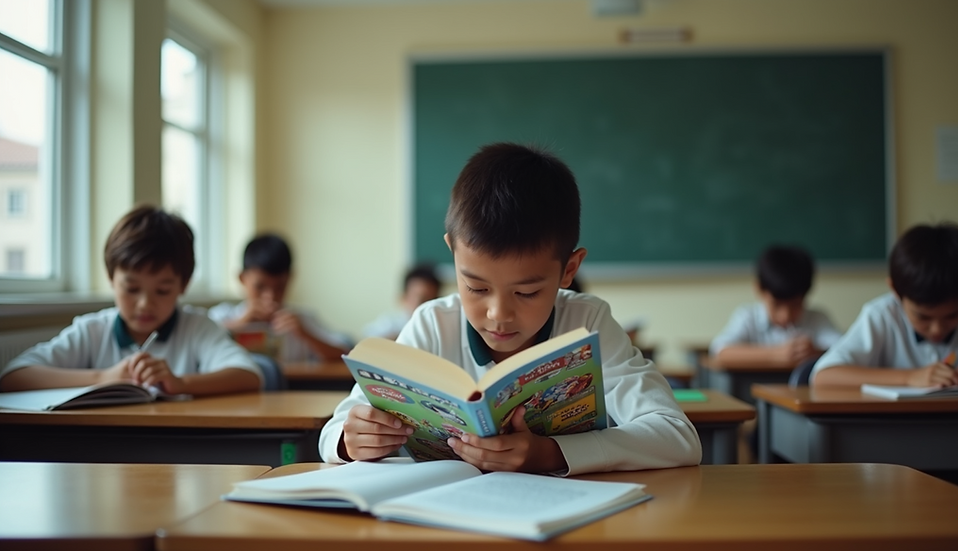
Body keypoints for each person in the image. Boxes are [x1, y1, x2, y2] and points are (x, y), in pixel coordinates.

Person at [320, 142, 701, 475]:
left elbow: (677, 436)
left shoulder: (588, 323)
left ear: (569, 269)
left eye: (527, 292)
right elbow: (333, 432)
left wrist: (551, 454)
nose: (498, 314)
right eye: (476, 287)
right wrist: (349, 440)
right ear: (453, 252)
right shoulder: (432, 325)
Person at [0, 205, 263, 395]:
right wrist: (103, 377)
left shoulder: (196, 328)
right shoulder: (92, 331)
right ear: (111, 279)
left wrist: (181, 383)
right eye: (131, 289)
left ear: (183, 285)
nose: (144, 304)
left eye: (162, 291)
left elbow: (249, 375)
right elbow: (12, 377)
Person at [811, 222, 958, 387]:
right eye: (923, 317)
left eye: (953, 315)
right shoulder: (882, 315)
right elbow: (823, 375)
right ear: (896, 291)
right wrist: (910, 377)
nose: (937, 329)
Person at [209, 233, 352, 362]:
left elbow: (345, 355)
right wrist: (238, 324)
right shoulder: (222, 316)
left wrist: (305, 334)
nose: (270, 297)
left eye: (280, 287)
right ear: (241, 279)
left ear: (290, 279)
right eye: (260, 287)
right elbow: (200, 345)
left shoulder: (302, 320)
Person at [710, 245, 841, 368]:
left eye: (795, 305)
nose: (785, 316)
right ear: (759, 289)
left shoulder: (817, 319)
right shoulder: (748, 317)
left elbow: (844, 350)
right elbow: (721, 351)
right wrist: (776, 354)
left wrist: (815, 353)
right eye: (777, 305)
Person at [362, 263, 442, 340]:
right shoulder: (390, 323)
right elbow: (366, 340)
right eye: (421, 300)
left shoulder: (439, 326)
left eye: (432, 300)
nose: (426, 306)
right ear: (403, 298)